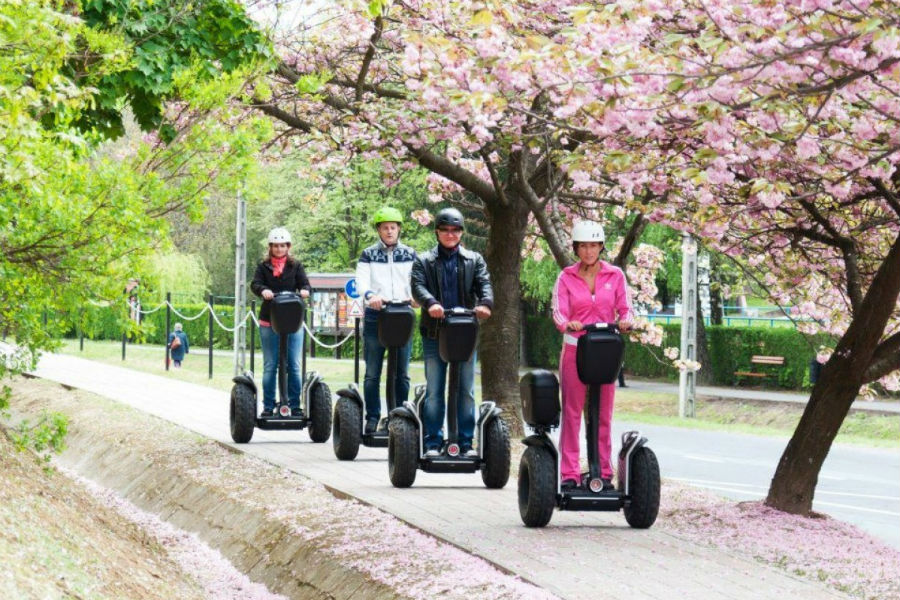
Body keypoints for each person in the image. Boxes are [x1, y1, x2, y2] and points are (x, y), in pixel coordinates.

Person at [551, 221, 632, 491]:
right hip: (576, 348)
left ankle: (604, 472)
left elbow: (626, 308)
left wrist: (626, 321)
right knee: (572, 412)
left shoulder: (615, 275)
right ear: (576, 248)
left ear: (601, 247)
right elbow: (559, 312)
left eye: (594, 245)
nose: (588, 251)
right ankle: (570, 473)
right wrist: (567, 324)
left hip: (605, 350)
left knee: (603, 414)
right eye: (583, 246)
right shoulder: (566, 277)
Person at [411, 207, 493, 458]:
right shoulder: (424, 260)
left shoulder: (474, 259)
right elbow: (417, 285)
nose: (450, 234)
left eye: (455, 230)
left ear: (461, 232)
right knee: (435, 390)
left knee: (466, 390)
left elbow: (484, 283)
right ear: (437, 232)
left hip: (464, 333)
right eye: (445, 230)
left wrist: (485, 304)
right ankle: (433, 441)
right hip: (435, 332)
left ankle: (466, 443)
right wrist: (431, 303)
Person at [356, 206, 418, 434]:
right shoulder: (368, 254)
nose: (389, 231)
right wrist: (370, 296)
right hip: (377, 315)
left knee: (402, 372)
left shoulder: (410, 254)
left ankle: (399, 416)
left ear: (399, 229)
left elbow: (416, 280)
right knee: (373, 372)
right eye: (385, 228)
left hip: (402, 314)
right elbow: (361, 281)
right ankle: (372, 417)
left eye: (393, 227)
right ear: (379, 230)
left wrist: (416, 297)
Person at [250, 227, 311, 417]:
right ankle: (268, 406)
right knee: (271, 364)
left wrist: (305, 291)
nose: (279, 249)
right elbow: (255, 284)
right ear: (270, 247)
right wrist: (263, 291)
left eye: (282, 246)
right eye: (275, 246)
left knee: (293, 364)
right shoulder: (263, 266)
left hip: (292, 320)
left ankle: (294, 405)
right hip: (270, 319)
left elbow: (305, 284)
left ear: (288, 247)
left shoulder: (296, 266)